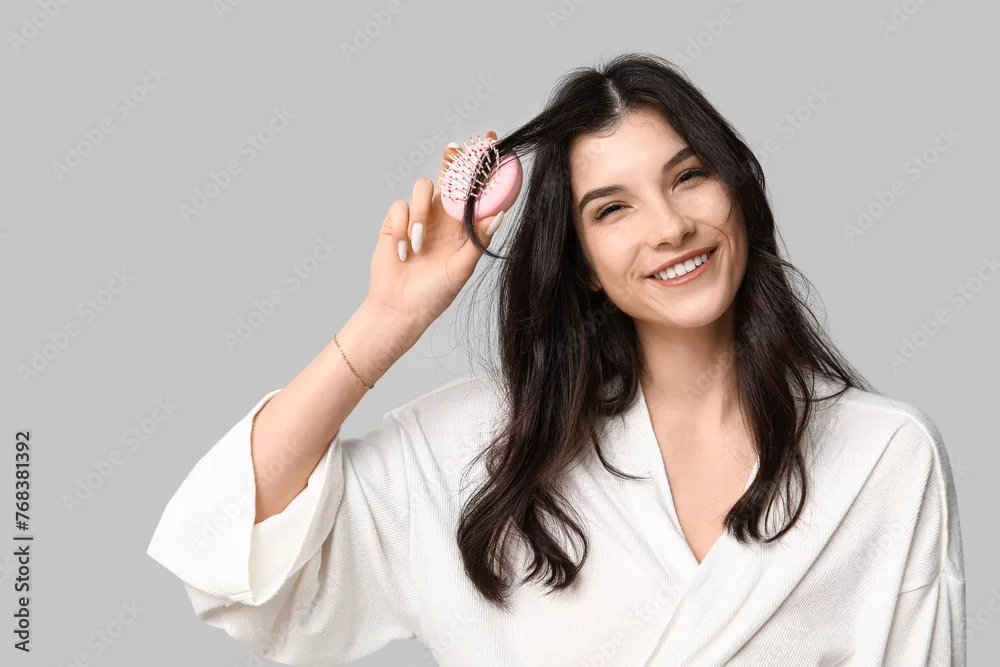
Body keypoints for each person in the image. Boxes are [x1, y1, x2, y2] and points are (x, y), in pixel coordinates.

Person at [147, 53, 965, 666]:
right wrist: (386, 324)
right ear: (583, 263)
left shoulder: (882, 457)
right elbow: (228, 549)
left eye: (689, 177)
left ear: (738, 192)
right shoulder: (482, 452)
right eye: (613, 209)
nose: (670, 227)